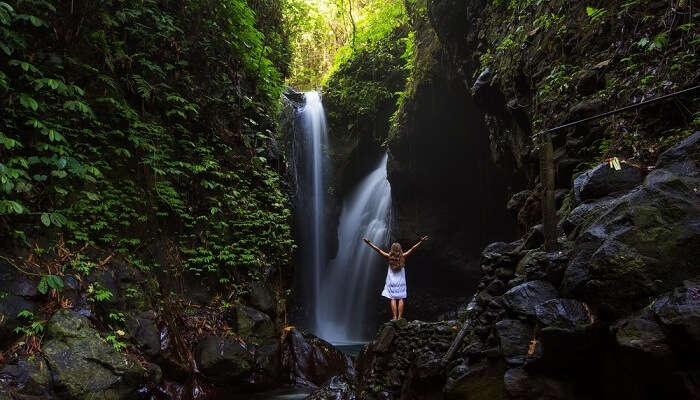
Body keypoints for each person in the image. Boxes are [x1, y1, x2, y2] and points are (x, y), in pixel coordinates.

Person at [362, 235, 429, 320]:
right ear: (400, 249)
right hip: (401, 281)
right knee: (400, 298)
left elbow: (378, 250)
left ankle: (394, 317)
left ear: (392, 249)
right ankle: (400, 317)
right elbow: (413, 249)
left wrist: (369, 243)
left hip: (391, 280)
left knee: (392, 298)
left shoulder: (389, 257)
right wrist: (421, 241)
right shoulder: (403, 256)